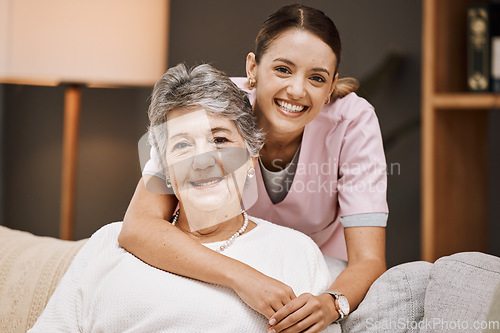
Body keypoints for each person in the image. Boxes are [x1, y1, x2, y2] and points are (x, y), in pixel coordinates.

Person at [120, 4, 388, 332]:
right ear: (253, 68)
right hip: (219, 260)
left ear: (331, 86)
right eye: (283, 69)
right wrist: (242, 277)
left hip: (312, 276)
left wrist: (330, 302)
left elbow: (368, 259)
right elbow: (138, 227)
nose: (297, 90)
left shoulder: (353, 123)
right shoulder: (213, 105)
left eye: (316, 78)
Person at [28, 63, 340, 332]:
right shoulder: (107, 243)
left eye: (219, 139)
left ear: (251, 157)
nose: (202, 161)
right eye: (182, 146)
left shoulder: (293, 254)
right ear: (164, 169)